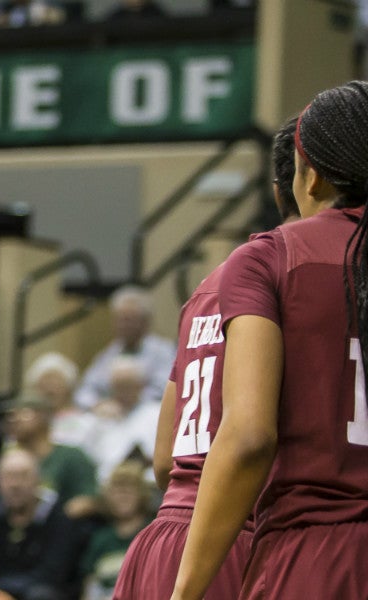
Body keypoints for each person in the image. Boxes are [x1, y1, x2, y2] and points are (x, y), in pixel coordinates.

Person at [173, 83, 368, 598]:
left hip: (315, 556)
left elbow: (249, 436)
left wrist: (184, 591)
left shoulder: (270, 257)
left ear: (311, 173)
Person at [111, 116, 301, 600]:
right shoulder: (300, 281)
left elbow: (162, 460)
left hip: (163, 536)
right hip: (234, 536)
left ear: (278, 193)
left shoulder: (204, 289)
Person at [0, 449, 86, 600]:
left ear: (39, 480)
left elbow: (53, 575)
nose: (15, 485)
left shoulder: (60, 519)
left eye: (23, 476)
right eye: (8, 477)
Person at [74, 286, 175, 411]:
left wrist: (129, 402)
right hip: (110, 416)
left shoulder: (163, 351)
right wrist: (97, 404)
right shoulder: (109, 352)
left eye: (130, 320)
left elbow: (164, 390)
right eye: (120, 319)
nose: (123, 325)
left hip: (147, 415)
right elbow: (85, 390)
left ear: (146, 322)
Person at [3, 394, 98, 517]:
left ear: (45, 417)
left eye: (25, 414)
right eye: (11, 415)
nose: (16, 420)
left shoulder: (71, 456)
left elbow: (91, 499)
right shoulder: (10, 459)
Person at [77, 358, 157, 485]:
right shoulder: (99, 416)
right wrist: (96, 414)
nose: (124, 391)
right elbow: (87, 455)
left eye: (128, 385)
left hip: (147, 482)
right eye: (119, 386)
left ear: (140, 386)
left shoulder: (155, 412)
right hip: (108, 483)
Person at [79, 461, 152, 599]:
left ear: (142, 494)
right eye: (117, 491)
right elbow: (89, 585)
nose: (123, 497)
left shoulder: (152, 535)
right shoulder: (100, 538)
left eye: (129, 490)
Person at [22, 352, 94, 448]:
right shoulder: (26, 423)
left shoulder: (85, 422)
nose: (49, 389)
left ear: (69, 387)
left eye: (55, 383)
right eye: (44, 383)